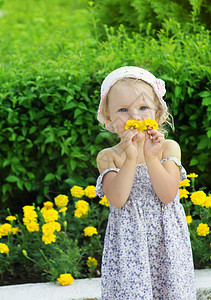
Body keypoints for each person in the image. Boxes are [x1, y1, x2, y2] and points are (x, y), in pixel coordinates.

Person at [95, 66, 196, 299]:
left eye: (143, 108)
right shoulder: (108, 156)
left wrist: (151, 156)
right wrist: (130, 157)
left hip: (166, 242)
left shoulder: (168, 148)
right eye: (123, 109)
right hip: (130, 247)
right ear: (109, 119)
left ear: (158, 114)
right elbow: (117, 200)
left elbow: (168, 194)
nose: (134, 116)